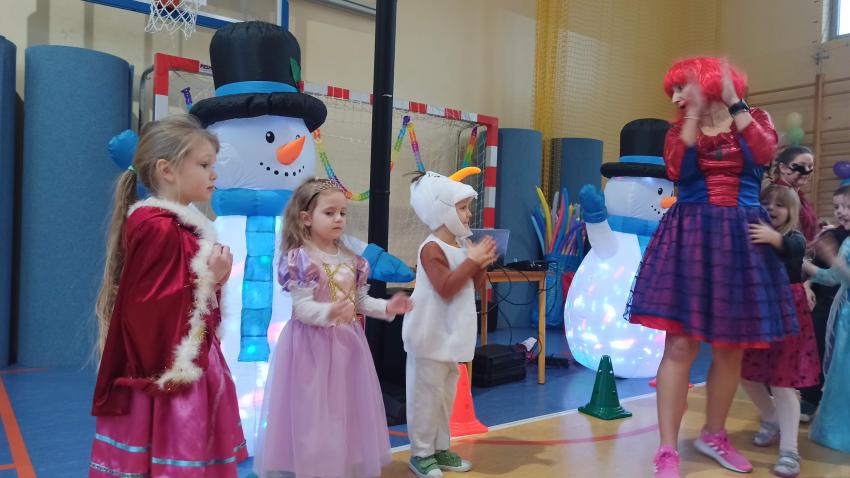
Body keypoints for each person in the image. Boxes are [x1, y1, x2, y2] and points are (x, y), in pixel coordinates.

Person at [626, 57, 798, 478]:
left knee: (729, 346)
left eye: (681, 88)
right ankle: (667, 449)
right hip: (691, 238)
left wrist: (735, 103)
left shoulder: (754, 118)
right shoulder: (678, 130)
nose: (674, 98)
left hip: (740, 241)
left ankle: (714, 434)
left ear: (707, 85)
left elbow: (763, 153)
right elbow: (677, 169)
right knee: (679, 345)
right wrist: (693, 116)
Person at [90, 115, 247, 477]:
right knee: (174, 458)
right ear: (167, 170)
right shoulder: (159, 229)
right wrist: (211, 278)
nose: (214, 175)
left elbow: (185, 300)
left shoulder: (179, 227)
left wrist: (213, 282)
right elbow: (151, 308)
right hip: (169, 372)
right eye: (204, 165)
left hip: (190, 360)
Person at [253, 178, 413, 478]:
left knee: (344, 412)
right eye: (329, 213)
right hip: (310, 348)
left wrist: (387, 307)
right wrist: (328, 311)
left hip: (347, 347)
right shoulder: (301, 258)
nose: (339, 218)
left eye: (342, 213)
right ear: (306, 218)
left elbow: (360, 300)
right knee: (313, 415)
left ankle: (338, 468)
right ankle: (314, 469)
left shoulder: (353, 260)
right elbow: (302, 307)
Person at [403, 169, 497, 478]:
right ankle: (421, 453)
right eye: (463, 208)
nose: (468, 215)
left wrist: (481, 264)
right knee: (425, 397)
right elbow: (445, 287)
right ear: (441, 211)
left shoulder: (460, 245)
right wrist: (472, 261)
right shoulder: (431, 248)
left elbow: (475, 284)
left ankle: (441, 448)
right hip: (429, 335)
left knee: (445, 397)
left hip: (450, 335)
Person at [740, 184, 820, 478]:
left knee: (783, 383)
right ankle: (771, 418)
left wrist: (774, 238)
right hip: (758, 312)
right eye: (766, 203)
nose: (771, 208)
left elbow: (793, 250)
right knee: (746, 375)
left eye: (779, 204)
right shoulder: (753, 237)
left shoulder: (793, 237)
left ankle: (790, 450)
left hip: (787, 314)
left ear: (792, 211)